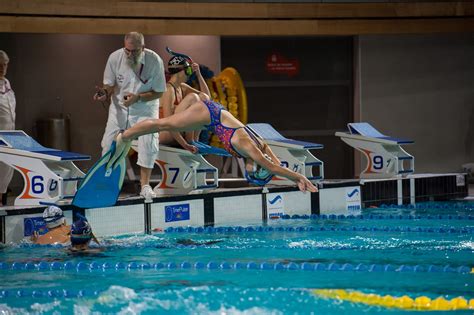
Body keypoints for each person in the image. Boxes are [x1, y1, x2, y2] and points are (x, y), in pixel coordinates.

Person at [112, 87, 318, 193]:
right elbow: (273, 167)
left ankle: (129, 134)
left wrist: (295, 178)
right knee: (163, 124)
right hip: (209, 114)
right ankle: (124, 136)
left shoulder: (260, 145)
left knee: (169, 125)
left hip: (211, 118)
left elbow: (276, 164)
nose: (266, 159)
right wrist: (300, 178)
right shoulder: (251, 149)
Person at [93, 32, 166, 200]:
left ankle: (145, 186)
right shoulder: (115, 58)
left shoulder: (154, 61)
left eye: (134, 51)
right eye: (127, 50)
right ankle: (107, 184)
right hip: (119, 109)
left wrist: (138, 97)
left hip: (145, 110)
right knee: (107, 145)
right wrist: (104, 93)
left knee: (148, 143)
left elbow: (159, 92)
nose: (130, 54)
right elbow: (109, 85)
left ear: (143, 48)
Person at [159, 55, 210, 153]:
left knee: (203, 98)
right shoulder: (169, 90)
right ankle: (190, 140)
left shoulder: (181, 87)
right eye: (188, 71)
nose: (190, 74)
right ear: (180, 72)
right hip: (165, 133)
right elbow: (168, 123)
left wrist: (199, 74)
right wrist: (185, 145)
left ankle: (194, 140)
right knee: (193, 97)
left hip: (177, 131)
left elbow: (207, 98)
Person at [0, 50, 15, 206]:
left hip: (8, 138)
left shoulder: (7, 84)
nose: (2, 68)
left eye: (4, 65)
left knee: (5, 174)